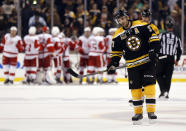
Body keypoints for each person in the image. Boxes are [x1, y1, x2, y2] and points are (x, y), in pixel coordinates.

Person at [107, 10, 160, 124]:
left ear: (127, 17)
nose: (121, 21)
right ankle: (138, 113)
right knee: (135, 89)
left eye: (122, 18)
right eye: (119, 19)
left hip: (147, 62)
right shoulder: (117, 34)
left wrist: (153, 50)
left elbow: (154, 37)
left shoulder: (141, 24)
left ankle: (151, 112)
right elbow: (116, 51)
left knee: (149, 86)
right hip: (132, 65)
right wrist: (113, 63)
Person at [157, 17, 182, 99]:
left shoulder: (162, 35)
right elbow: (179, 50)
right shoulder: (177, 38)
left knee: (159, 74)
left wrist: (156, 56)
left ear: (166, 27)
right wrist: (177, 59)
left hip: (161, 57)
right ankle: (166, 92)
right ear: (172, 27)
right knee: (168, 76)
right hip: (171, 58)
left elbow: (156, 46)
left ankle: (162, 91)